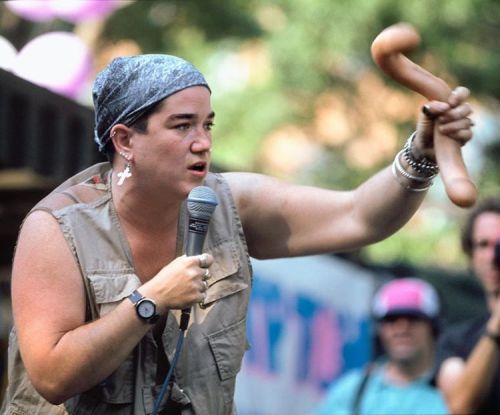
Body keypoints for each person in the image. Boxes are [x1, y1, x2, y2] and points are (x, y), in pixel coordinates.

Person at [1, 54, 473, 415]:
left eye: (207, 124)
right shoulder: (58, 228)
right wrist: (150, 301)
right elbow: (52, 375)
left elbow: (359, 217)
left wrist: (420, 153)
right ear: (125, 141)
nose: (203, 141)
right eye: (181, 125)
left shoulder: (228, 203)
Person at [313, 278, 448, 415]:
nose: (402, 329)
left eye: (413, 319)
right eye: (391, 320)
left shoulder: (454, 390)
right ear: (379, 330)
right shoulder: (353, 391)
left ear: (433, 327)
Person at [436, 197, 500, 414]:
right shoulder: (457, 340)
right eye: (483, 245)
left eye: (499, 245)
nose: (494, 256)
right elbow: (460, 407)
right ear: (470, 255)